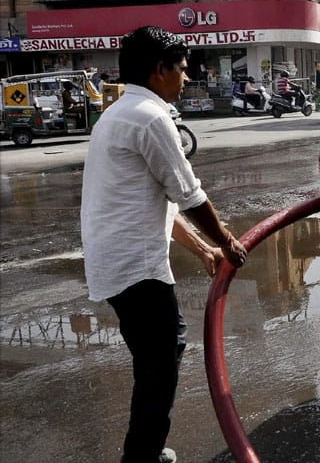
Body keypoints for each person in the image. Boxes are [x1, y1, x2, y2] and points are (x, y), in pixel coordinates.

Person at [81, 26, 247, 463]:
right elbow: (189, 196)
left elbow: (159, 204)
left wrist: (205, 250)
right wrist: (228, 242)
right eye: (182, 68)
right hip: (133, 268)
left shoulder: (118, 115)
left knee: (156, 357)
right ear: (159, 70)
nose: (187, 77)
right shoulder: (151, 118)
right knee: (161, 362)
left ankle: (145, 450)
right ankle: (142, 456)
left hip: (116, 263)